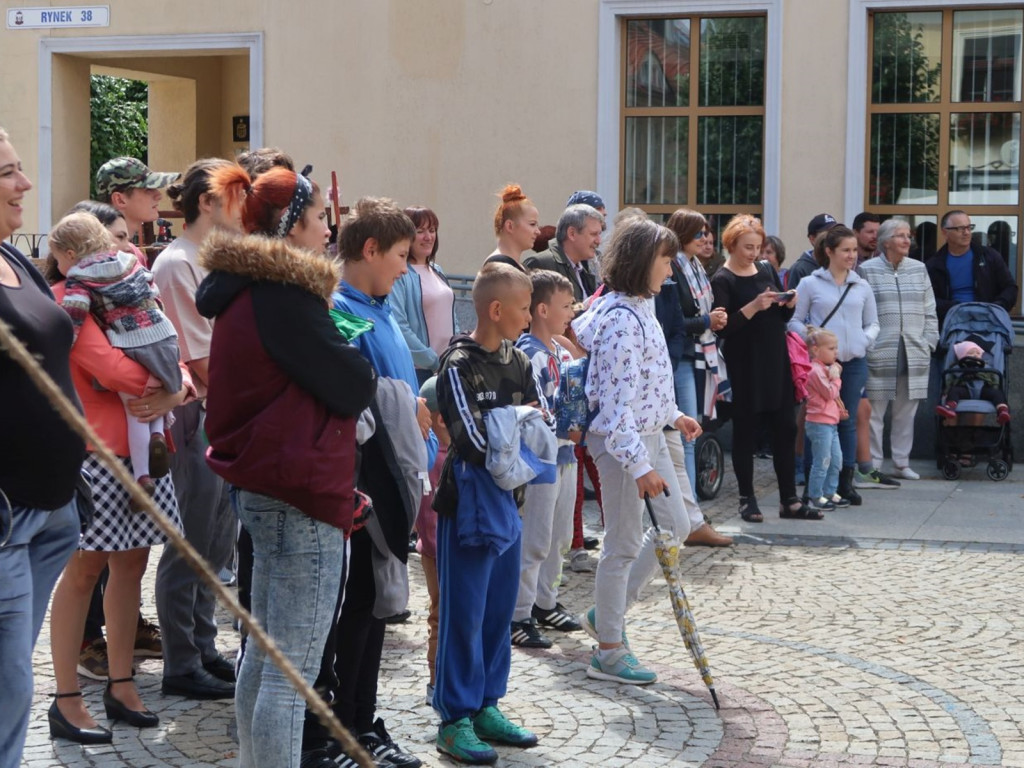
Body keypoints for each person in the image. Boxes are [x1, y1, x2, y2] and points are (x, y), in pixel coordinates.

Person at [197, 164, 377, 768]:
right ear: (291, 225)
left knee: (266, 657)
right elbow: (353, 385)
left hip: (270, 486)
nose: (330, 228)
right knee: (290, 672)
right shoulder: (283, 295)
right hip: (299, 493)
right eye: (321, 217)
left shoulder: (248, 289)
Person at [47, 230, 193, 744]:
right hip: (96, 452)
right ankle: (66, 698)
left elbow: (174, 358)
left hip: (143, 452)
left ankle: (121, 680)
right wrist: (167, 387)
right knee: (84, 570)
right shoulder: (68, 302)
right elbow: (111, 369)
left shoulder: (134, 289)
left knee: (132, 561)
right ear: (67, 259)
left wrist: (172, 390)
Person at [571, 217, 703, 685]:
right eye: (666, 261)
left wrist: (673, 414)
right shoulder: (621, 322)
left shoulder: (642, 308)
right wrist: (641, 464)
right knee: (623, 544)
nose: (671, 270)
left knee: (676, 525)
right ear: (642, 261)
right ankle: (608, 649)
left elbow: (648, 383)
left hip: (647, 437)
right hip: (622, 446)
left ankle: (605, 615)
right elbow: (614, 406)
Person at [330, 197, 430, 768]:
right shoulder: (342, 311)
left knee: (376, 607)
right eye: (398, 254)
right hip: (370, 476)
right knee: (361, 604)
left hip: (399, 473)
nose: (405, 265)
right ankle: (350, 724)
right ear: (368, 250)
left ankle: (363, 718)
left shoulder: (381, 305)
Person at [432, 263, 543, 763]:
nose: (529, 316)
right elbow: (472, 441)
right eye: (523, 308)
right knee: (466, 613)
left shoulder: (520, 361)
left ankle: (486, 706)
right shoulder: (457, 364)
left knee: (499, 612)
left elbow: (540, 425)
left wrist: (514, 435)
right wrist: (512, 438)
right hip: (469, 505)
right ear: (496, 310)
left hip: (509, 504)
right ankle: (454, 716)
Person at [0, 126, 87, 765]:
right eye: (7, 173)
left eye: (19, 168)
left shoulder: (16, 257)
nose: (24, 184)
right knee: (7, 691)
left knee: (10, 684)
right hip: (8, 516)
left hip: (53, 512)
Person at [152, 158, 242, 701]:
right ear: (206, 202)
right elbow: (201, 358)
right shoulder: (177, 262)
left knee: (216, 540)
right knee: (190, 541)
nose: (242, 205)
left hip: (227, 411)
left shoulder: (215, 259)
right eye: (234, 194)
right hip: (197, 412)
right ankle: (180, 661)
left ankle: (204, 646)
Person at [49, 212, 180, 496]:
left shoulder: (79, 283)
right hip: (104, 451)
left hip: (118, 448)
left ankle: (143, 476)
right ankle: (155, 437)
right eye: (118, 237)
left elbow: (114, 370)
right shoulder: (129, 266)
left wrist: (177, 388)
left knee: (137, 408)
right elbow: (113, 370)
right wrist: (174, 384)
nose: (126, 245)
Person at [712, 215, 814, 521]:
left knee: (786, 426)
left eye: (758, 247)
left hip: (775, 359)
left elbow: (779, 320)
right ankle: (747, 499)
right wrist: (754, 305)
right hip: (745, 363)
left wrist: (789, 305)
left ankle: (789, 500)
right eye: (747, 247)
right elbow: (723, 328)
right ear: (731, 244)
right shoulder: (723, 279)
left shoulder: (767, 269)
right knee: (746, 431)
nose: (754, 253)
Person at [511, 270, 582, 650]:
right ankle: (518, 613)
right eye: (566, 305)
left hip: (566, 454)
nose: (571, 312)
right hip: (542, 459)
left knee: (559, 537)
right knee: (535, 538)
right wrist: (566, 425)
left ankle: (545, 601)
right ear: (541, 309)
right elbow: (536, 408)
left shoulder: (557, 350)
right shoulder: (530, 354)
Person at [787, 225, 879, 506]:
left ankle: (843, 483)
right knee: (819, 422)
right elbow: (793, 321)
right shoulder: (810, 283)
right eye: (846, 250)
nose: (852, 256)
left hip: (852, 362)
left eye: (854, 250)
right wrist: (812, 340)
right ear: (829, 252)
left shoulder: (861, 285)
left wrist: (864, 341)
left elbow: (873, 322)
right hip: (820, 367)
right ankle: (814, 485)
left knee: (846, 420)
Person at [861, 219, 939, 480]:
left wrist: (929, 342)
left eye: (909, 236)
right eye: (901, 236)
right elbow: (861, 311)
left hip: (914, 350)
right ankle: (873, 464)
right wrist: (868, 344)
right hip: (880, 351)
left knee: (907, 412)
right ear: (885, 242)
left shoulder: (919, 269)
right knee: (875, 413)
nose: (907, 241)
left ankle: (901, 463)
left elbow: (930, 310)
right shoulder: (867, 270)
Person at [662, 208, 728, 499]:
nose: (706, 239)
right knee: (687, 433)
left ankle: (688, 506)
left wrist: (713, 320)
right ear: (683, 234)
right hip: (682, 358)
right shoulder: (672, 268)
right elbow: (673, 321)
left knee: (690, 431)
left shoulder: (696, 267)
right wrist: (706, 321)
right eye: (699, 233)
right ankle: (689, 508)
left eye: (708, 232)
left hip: (699, 353)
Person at [390, 206, 457, 385]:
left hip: (447, 367)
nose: (428, 237)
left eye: (432, 230)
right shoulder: (400, 275)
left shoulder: (438, 270)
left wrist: (457, 351)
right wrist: (433, 361)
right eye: (420, 231)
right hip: (420, 371)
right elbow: (400, 326)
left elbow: (452, 317)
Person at [414, 375, 449, 707]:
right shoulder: (445, 457)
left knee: (438, 615)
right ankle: (439, 681)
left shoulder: (421, 452)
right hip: (446, 551)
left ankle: (437, 680)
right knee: (444, 618)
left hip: (428, 549)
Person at [925, 210, 1017, 330]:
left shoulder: (989, 256)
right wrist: (954, 307)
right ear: (945, 232)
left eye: (969, 227)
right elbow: (929, 300)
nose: (967, 233)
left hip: (989, 322)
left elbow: (1010, 288)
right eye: (960, 229)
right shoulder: (934, 265)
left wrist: (996, 307)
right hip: (953, 325)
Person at [94, 157, 180, 264]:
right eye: (148, 189)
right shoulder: (94, 257)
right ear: (120, 199)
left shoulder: (133, 253)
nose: (159, 195)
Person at [803, 329, 848, 512]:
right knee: (822, 460)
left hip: (830, 422)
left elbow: (832, 399)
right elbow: (829, 392)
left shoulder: (826, 369)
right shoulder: (815, 371)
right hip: (818, 423)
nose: (835, 352)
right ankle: (815, 494)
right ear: (815, 350)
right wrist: (837, 379)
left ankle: (830, 491)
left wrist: (840, 409)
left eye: (836, 348)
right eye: (831, 348)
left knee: (836, 459)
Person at [523, 204, 604, 302]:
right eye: (593, 234)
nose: (598, 241)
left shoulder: (585, 266)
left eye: (599, 234)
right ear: (572, 233)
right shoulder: (541, 265)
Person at [935, 340, 1011, 425]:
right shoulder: (956, 368)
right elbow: (949, 381)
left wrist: (994, 386)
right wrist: (946, 392)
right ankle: (950, 407)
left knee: (997, 393)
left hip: (983, 389)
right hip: (965, 389)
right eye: (971, 353)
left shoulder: (987, 367)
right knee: (954, 391)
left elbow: (994, 379)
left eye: (978, 353)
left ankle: (1002, 410)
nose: (975, 355)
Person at [484, 184, 540, 271]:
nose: (538, 231)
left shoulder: (515, 266)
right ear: (510, 226)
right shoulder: (499, 266)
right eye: (532, 224)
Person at [786, 213, 838, 290]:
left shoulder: (839, 263)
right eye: (827, 234)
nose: (833, 237)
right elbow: (794, 300)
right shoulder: (799, 269)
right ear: (812, 239)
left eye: (835, 232)